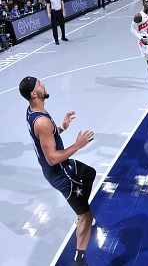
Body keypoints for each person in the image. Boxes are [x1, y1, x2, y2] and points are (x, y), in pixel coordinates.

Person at [19, 76, 96, 266]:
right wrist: (77, 145)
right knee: (87, 216)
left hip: (59, 169)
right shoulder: (42, 122)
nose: (44, 84)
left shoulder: (33, 111)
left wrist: (62, 127)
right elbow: (52, 158)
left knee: (90, 173)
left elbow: (45, 140)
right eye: (39, 84)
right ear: (33, 93)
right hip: (62, 173)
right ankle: (79, 259)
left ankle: (79, 208)